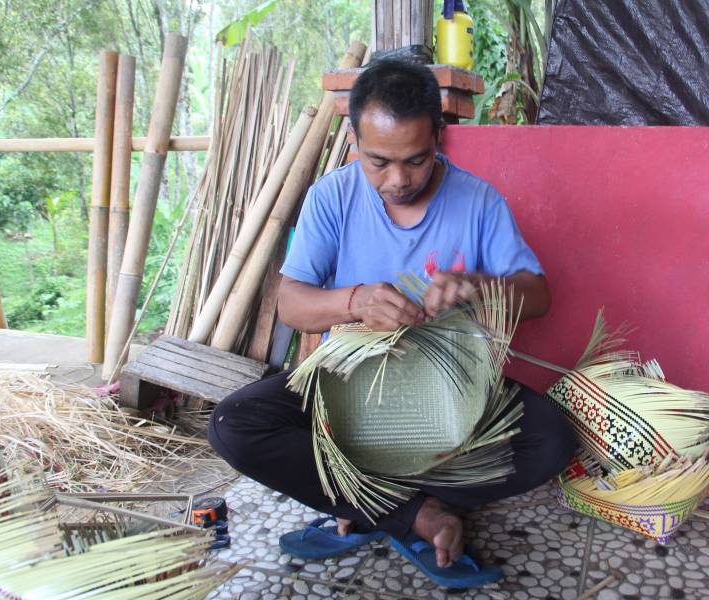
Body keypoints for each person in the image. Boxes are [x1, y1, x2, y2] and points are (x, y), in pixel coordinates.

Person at [208, 59, 576, 586]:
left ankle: (365, 499)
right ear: (354, 139)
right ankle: (419, 513)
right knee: (234, 426)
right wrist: (354, 301)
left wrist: (479, 286)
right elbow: (291, 303)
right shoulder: (331, 197)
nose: (398, 179)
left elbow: (537, 294)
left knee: (552, 440)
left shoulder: (478, 201)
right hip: (345, 388)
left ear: (439, 138)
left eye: (416, 160)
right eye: (377, 161)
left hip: (453, 395)